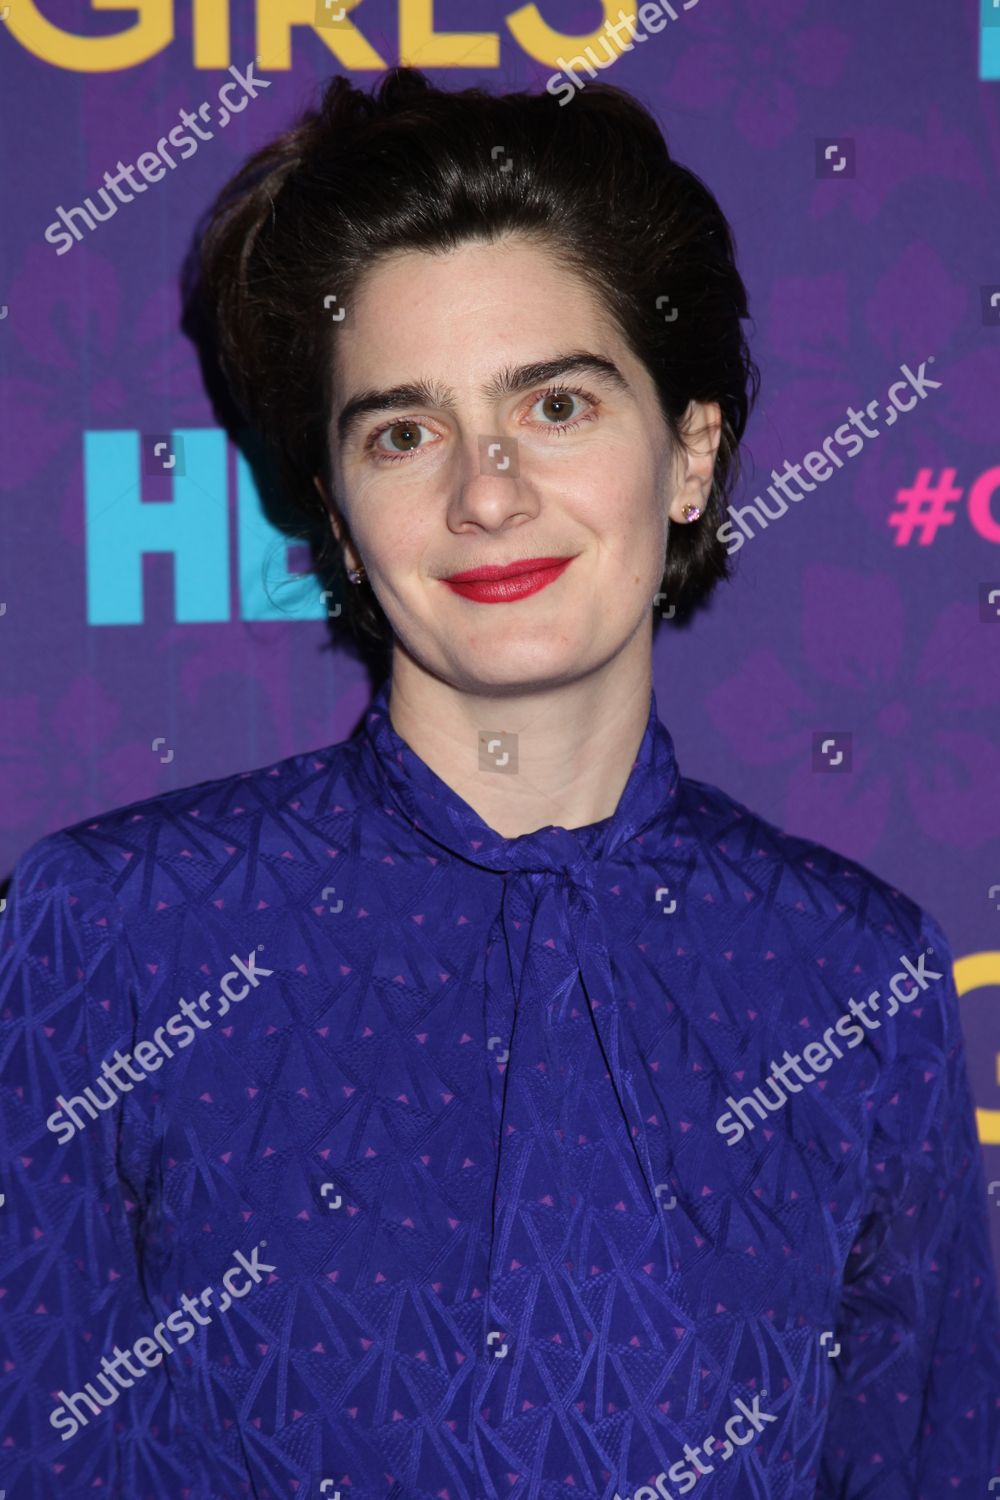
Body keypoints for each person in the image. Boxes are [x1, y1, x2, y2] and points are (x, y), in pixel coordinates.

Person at [1, 65, 998, 1500]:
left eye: (559, 403)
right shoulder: (115, 931)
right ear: (342, 524)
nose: (486, 489)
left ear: (692, 454)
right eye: (402, 432)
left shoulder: (857, 978)